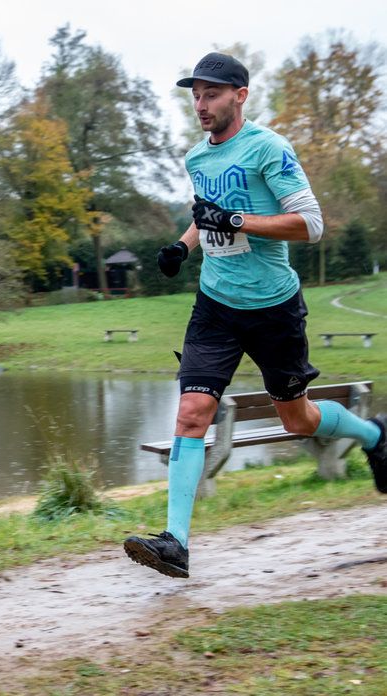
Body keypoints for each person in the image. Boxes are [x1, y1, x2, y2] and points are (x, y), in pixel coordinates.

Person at [123, 52, 387, 579]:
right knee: (191, 413)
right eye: (195, 95)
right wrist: (183, 243)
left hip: (273, 309)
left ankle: (376, 435)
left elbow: (310, 225)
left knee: (298, 418)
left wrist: (238, 220)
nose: (201, 104)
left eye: (212, 94)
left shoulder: (269, 148)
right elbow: (206, 214)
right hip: (215, 306)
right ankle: (175, 541)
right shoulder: (197, 157)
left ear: (240, 96)